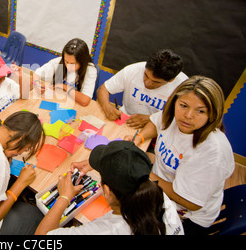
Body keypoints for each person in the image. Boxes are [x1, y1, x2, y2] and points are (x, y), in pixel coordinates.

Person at [128, 76, 235, 235]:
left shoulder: (212, 153)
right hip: (159, 187)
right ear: (175, 101)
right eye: (183, 105)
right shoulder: (173, 116)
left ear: (213, 113)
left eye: (200, 111)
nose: (188, 115)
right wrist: (139, 138)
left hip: (184, 216)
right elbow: (156, 122)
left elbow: (190, 203)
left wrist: (144, 174)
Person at [36, 140, 184, 235]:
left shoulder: (108, 230)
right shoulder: (156, 194)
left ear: (106, 191)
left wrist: (64, 197)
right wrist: (97, 164)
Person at [97, 49, 188, 129]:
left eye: (155, 82)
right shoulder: (134, 69)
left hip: (158, 128)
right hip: (126, 120)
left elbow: (183, 118)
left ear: (171, 80)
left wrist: (150, 119)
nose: (147, 83)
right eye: (146, 75)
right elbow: (103, 89)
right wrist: (107, 108)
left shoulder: (183, 87)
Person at [33, 38, 97, 107]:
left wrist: (64, 87)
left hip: (76, 106)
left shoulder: (90, 70)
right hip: (59, 101)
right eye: (66, 62)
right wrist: (36, 83)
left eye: (73, 64)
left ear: (82, 62)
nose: (68, 66)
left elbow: (85, 101)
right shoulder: (59, 61)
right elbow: (37, 73)